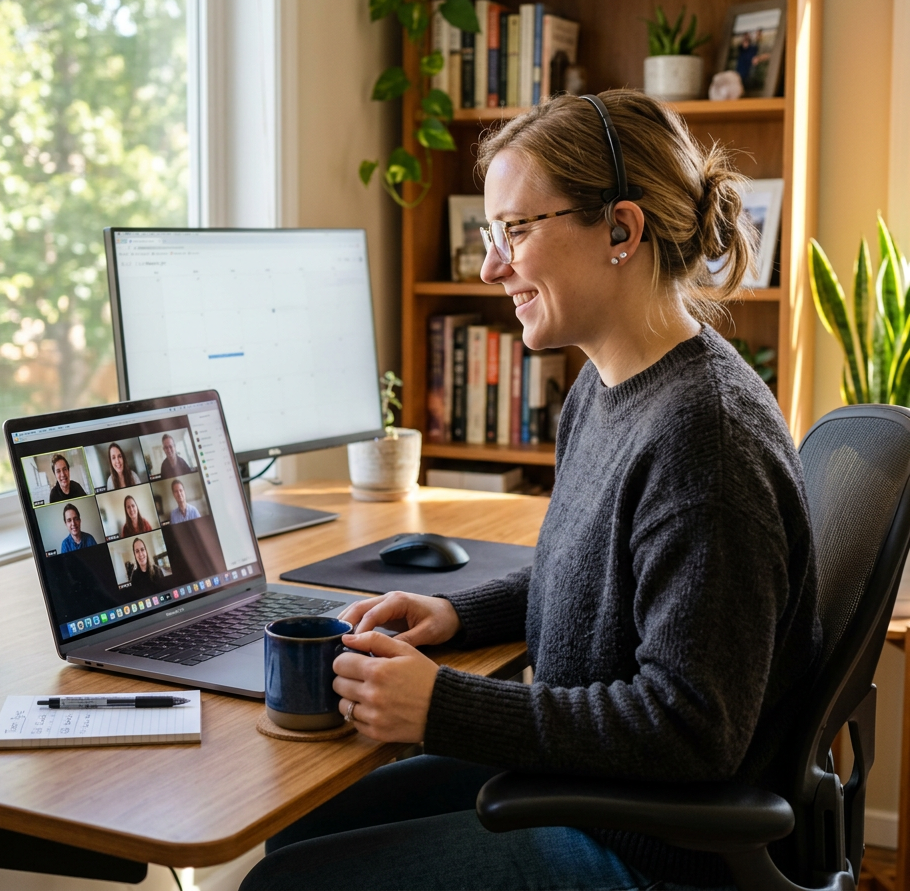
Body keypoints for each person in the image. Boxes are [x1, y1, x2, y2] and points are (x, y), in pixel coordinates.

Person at [240, 91, 822, 891]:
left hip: (655, 851)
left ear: (621, 229)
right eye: (493, 233)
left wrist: (443, 709)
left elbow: (694, 729)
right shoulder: (607, 386)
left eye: (515, 230)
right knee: (298, 834)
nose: (490, 265)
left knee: (286, 884)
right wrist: (457, 613)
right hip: (597, 795)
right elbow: (593, 567)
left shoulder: (705, 440)